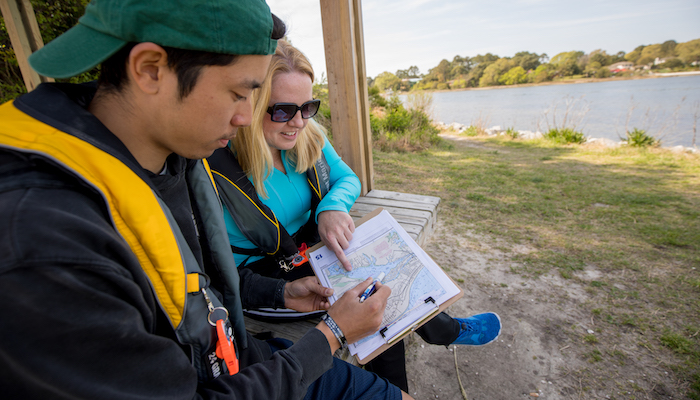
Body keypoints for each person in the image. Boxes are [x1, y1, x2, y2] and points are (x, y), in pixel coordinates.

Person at [0, 1, 413, 399]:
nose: (248, 118)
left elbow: (203, 291)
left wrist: (280, 294)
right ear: (149, 70)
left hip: (240, 357)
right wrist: (332, 336)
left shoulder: (167, 158)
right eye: (240, 93)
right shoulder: (45, 245)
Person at [207, 39, 503, 393]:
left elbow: (349, 178)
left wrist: (332, 207)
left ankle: (419, 359)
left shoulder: (307, 136)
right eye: (283, 110)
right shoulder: (217, 165)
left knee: (384, 281)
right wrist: (279, 290)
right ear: (251, 106)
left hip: (305, 251)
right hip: (266, 279)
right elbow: (215, 272)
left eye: (308, 107)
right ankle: (439, 339)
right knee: (376, 305)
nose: (298, 122)